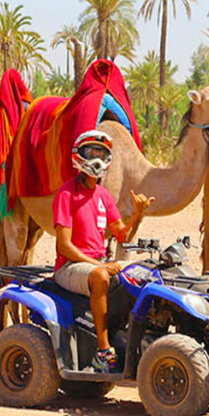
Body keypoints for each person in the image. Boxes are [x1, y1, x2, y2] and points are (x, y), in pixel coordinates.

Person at [52, 130, 154, 372]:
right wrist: (99, 265)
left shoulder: (104, 196)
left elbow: (122, 235)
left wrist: (138, 216)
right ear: (79, 155)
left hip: (96, 262)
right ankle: (103, 351)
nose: (97, 159)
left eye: (102, 153)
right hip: (69, 266)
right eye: (91, 152)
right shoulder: (67, 194)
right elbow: (64, 247)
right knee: (100, 276)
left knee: (141, 278)